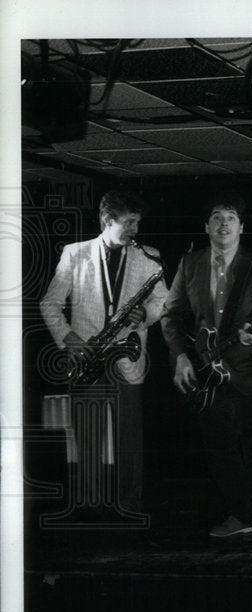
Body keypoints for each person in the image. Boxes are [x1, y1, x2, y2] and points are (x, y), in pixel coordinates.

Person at [161, 190, 252, 541]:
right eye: (217, 216)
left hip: (250, 370)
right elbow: (171, 316)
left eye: (230, 216)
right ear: (206, 226)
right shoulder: (190, 264)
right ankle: (240, 514)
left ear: (241, 227)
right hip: (205, 372)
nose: (223, 223)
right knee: (220, 447)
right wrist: (181, 356)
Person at [40, 190, 169, 518]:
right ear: (106, 221)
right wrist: (68, 337)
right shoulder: (75, 254)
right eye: (128, 222)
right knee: (87, 434)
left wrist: (146, 314)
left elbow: (164, 302)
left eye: (138, 223)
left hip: (128, 356)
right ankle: (90, 504)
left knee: (130, 440)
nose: (135, 230)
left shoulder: (149, 257)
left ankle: (130, 504)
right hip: (87, 355)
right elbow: (49, 303)